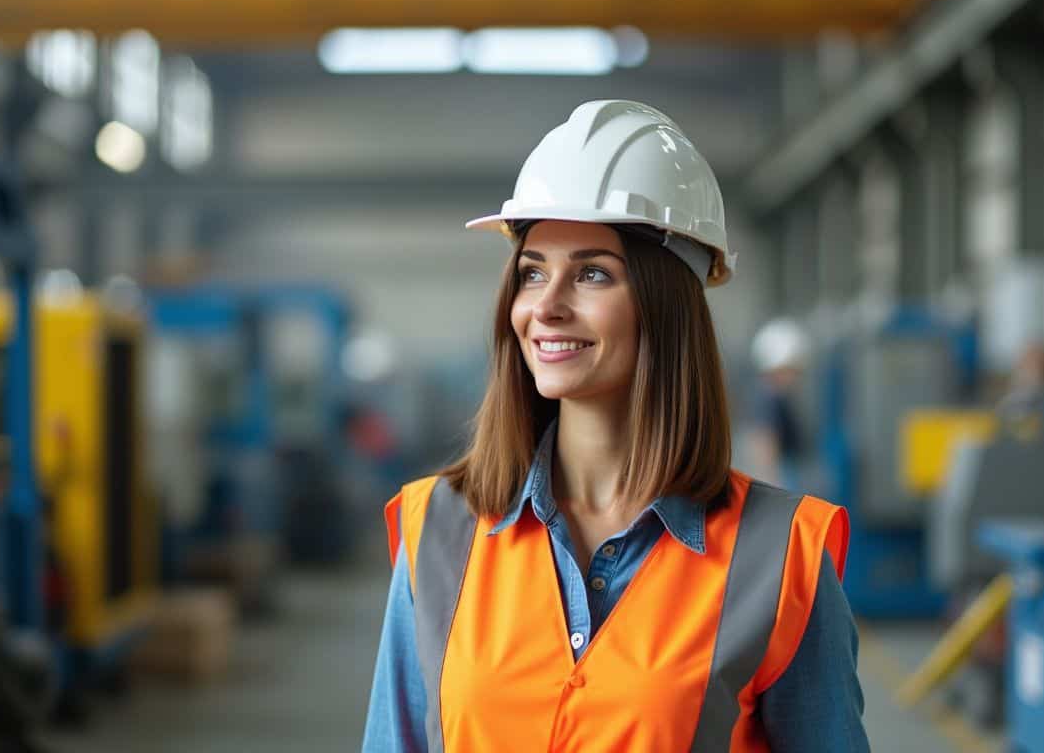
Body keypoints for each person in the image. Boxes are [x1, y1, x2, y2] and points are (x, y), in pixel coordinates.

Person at [362, 101, 868, 752]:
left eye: (593, 273)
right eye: (532, 272)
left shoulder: (779, 556)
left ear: (667, 306)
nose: (546, 305)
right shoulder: (437, 530)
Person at [748, 318, 812, 491]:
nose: (796, 377)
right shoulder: (769, 400)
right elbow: (765, 443)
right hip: (782, 478)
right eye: (793, 370)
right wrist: (774, 486)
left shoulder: (776, 398)